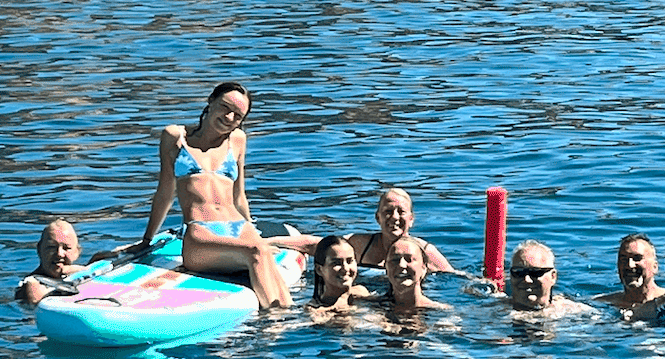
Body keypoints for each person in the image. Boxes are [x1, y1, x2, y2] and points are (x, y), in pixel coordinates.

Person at [138, 81, 308, 310]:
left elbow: (239, 196)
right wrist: (146, 240)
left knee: (262, 251)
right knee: (256, 252)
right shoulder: (175, 137)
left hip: (237, 226)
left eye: (238, 115)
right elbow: (165, 193)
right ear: (211, 101)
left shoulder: (237, 140)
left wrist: (253, 232)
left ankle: (287, 316)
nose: (229, 117)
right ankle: (276, 319)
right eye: (225, 107)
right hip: (201, 231)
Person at [347, 187, 456, 273]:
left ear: (411, 219)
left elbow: (454, 276)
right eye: (388, 211)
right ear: (378, 218)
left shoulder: (425, 251)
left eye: (401, 211)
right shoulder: (358, 245)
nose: (395, 217)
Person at [503, 240, 591, 318]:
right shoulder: (499, 310)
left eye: (535, 272)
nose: (527, 279)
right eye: (518, 272)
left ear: (553, 277)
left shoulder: (573, 311)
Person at [16, 219, 82, 307]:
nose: (59, 253)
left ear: (77, 252)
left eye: (66, 248)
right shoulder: (32, 283)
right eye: (51, 247)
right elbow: (36, 300)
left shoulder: (84, 274)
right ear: (39, 249)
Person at [597, 233, 665, 310]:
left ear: (655, 267)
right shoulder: (602, 303)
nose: (629, 265)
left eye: (637, 258)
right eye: (623, 259)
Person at [381, 236, 446, 314]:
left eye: (409, 259)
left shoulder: (441, 312)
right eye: (395, 260)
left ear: (423, 268)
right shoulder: (373, 307)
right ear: (386, 267)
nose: (401, 265)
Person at [310, 235, 372, 310]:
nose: (345, 268)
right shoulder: (316, 310)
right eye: (336, 263)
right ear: (319, 269)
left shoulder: (361, 292)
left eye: (349, 261)